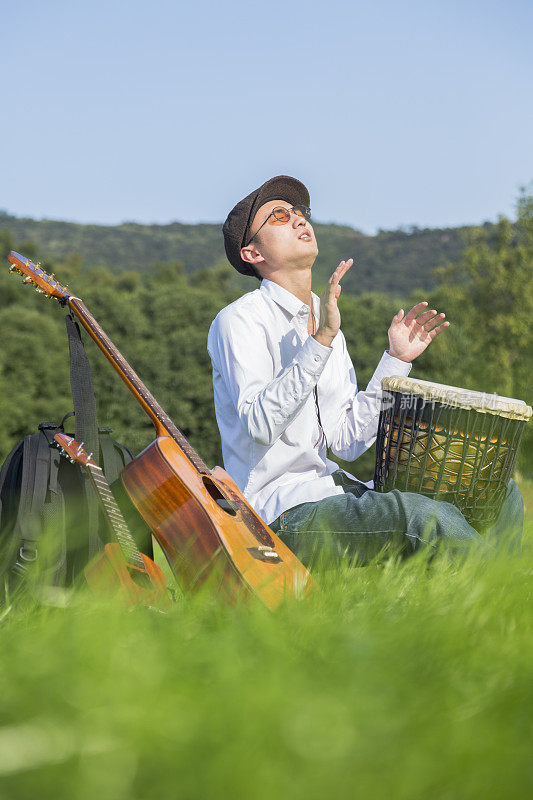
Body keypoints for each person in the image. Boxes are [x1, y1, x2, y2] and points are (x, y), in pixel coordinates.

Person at [207, 176, 523, 566]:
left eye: (300, 213)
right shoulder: (239, 320)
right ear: (252, 253)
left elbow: (347, 439)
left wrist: (396, 360)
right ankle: (518, 603)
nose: (298, 220)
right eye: (279, 216)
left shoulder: (324, 320)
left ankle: (499, 614)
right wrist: (319, 341)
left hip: (335, 490)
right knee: (422, 519)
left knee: (494, 487)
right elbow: (259, 424)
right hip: (278, 513)